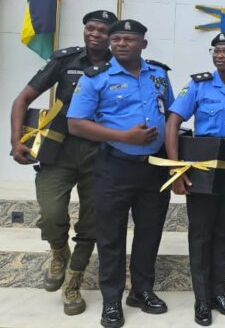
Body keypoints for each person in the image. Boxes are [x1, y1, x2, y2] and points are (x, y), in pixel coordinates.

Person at [67, 19, 175, 328]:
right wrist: (123, 137)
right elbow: (76, 124)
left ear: (143, 43)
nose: (121, 44)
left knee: (149, 233)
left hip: (155, 168)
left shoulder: (159, 74)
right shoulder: (95, 78)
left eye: (129, 39)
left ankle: (142, 291)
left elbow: (170, 115)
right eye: (117, 39)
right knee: (111, 237)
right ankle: (112, 301)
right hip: (113, 167)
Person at [9, 10, 116, 315]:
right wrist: (16, 141)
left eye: (103, 30)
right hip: (58, 149)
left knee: (91, 222)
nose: (95, 34)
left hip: (101, 153)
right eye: (90, 28)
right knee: (52, 211)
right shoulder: (65, 61)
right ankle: (59, 251)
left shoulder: (121, 66)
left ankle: (74, 281)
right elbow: (22, 100)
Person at [165, 32, 225, 326]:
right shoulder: (198, 84)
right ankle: (202, 299)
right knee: (201, 232)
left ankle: (219, 293)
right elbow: (173, 122)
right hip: (204, 162)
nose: (219, 55)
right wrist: (175, 168)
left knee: (224, 232)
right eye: (215, 50)